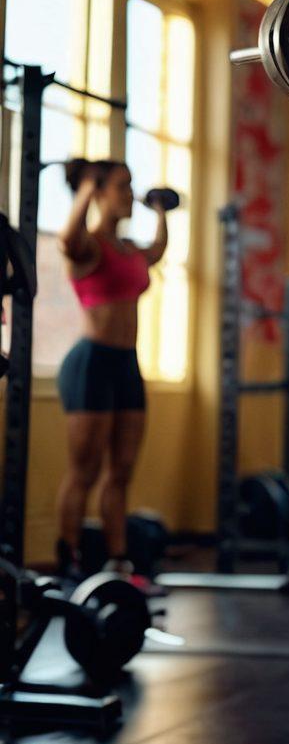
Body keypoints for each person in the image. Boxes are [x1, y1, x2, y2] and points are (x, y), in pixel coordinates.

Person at [55, 158, 169, 581]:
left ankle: (117, 561)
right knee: (83, 470)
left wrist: (160, 211)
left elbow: (157, 252)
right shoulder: (88, 248)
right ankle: (68, 561)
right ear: (99, 193)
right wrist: (86, 187)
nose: (130, 194)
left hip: (126, 365)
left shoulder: (129, 250)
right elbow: (67, 237)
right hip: (91, 364)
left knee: (120, 471)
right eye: (123, 186)